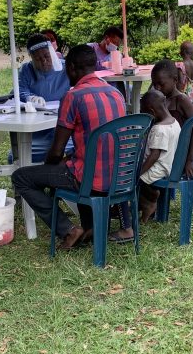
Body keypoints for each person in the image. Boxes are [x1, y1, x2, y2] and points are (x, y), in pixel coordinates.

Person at [12, 44, 126, 251]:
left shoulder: (73, 96)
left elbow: (56, 151)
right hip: (120, 176)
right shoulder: (116, 93)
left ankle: (67, 229)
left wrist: (48, 173)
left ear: (71, 67)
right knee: (73, 164)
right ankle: (90, 227)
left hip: (89, 178)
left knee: (22, 177)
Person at [109, 90, 182, 242]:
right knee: (134, 176)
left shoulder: (159, 129)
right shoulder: (174, 122)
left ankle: (148, 203)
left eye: (143, 112)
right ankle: (147, 201)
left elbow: (154, 155)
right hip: (168, 165)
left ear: (151, 111)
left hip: (157, 168)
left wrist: (138, 172)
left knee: (129, 181)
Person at [11, 33, 71, 162]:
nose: (44, 61)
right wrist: (30, 98)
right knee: (16, 157)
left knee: (67, 151)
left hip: (64, 129)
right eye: (37, 59)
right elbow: (19, 90)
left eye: (46, 56)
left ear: (53, 53)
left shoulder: (66, 68)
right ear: (31, 58)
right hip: (37, 130)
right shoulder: (27, 70)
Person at [150, 59, 193, 178]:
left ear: (175, 80)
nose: (157, 88)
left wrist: (190, 160)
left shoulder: (181, 100)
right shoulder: (159, 100)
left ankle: (154, 194)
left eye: (161, 84)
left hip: (178, 153)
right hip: (162, 150)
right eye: (154, 84)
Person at [175, 40, 193, 111]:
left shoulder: (181, 65)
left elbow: (180, 82)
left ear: (182, 52)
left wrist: (177, 96)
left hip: (186, 96)